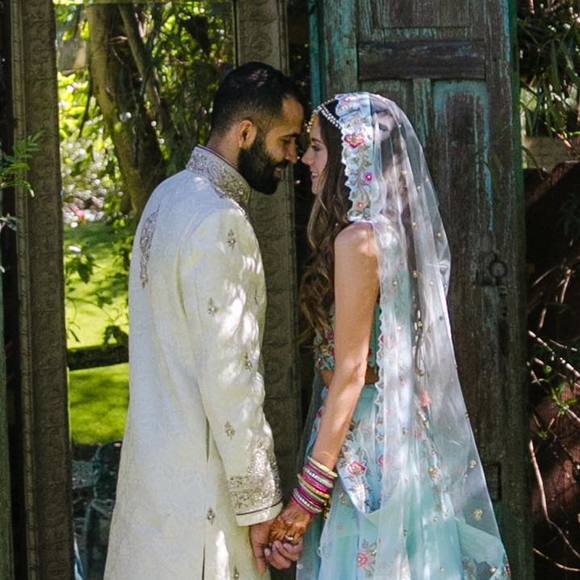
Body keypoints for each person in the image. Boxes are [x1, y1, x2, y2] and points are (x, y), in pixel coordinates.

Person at [268, 93, 511, 579]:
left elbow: (351, 373)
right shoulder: (394, 236)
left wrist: (305, 499)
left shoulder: (358, 241)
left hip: (365, 445)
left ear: (351, 157)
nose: (306, 161)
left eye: (317, 148)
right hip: (401, 437)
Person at [104, 62, 304, 580]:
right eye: (286, 140)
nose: (293, 156)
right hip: (204, 501)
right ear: (246, 133)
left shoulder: (167, 196)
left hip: (153, 485)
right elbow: (231, 380)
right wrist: (260, 509)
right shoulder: (219, 220)